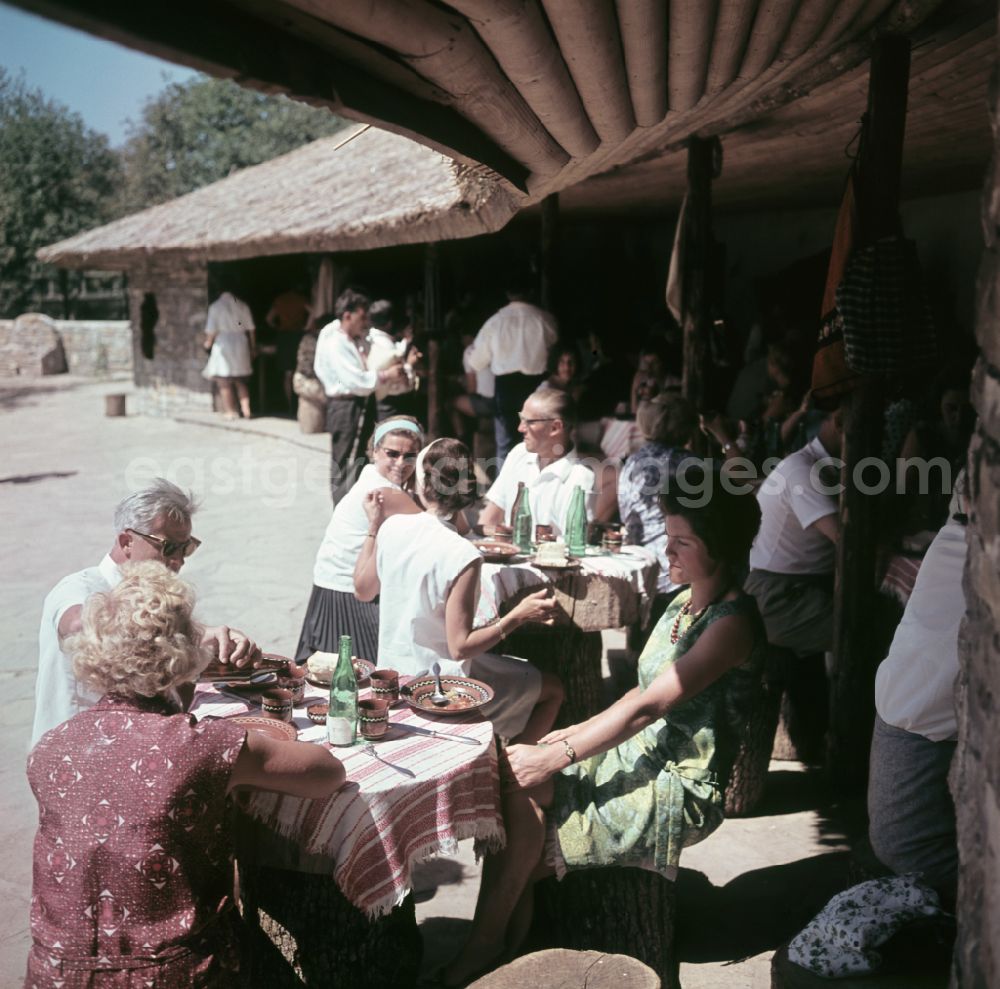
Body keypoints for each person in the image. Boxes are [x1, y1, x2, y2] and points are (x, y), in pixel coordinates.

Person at [441, 464, 764, 984]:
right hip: (642, 748)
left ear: (719, 547)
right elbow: (640, 691)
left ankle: (488, 948)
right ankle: (500, 948)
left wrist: (557, 753)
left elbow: (649, 708)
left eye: (682, 542)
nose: (669, 552)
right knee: (519, 793)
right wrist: (570, 735)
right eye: (670, 538)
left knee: (532, 813)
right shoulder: (684, 601)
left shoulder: (732, 625)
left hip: (681, 783)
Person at [26, 561, 346, 988]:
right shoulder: (201, 745)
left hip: (57, 973)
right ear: (183, 658)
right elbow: (327, 774)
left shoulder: (49, 749)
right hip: (173, 973)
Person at [355, 438, 564, 742]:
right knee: (554, 689)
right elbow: (460, 647)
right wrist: (518, 616)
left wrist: (373, 526)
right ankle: (513, 771)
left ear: (422, 483)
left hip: (394, 669)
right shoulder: (462, 554)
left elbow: (363, 590)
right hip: (442, 681)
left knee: (507, 670)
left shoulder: (393, 527)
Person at [31, 478, 261, 749]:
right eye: (169, 547)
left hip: (136, 746)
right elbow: (76, 626)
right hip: (79, 751)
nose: (179, 560)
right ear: (127, 541)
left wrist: (206, 647)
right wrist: (189, 635)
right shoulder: (79, 588)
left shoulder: (158, 593)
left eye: (186, 548)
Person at [868, 477, 968, 905]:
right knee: (904, 846)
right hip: (915, 708)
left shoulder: (959, 534)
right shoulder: (961, 539)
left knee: (904, 846)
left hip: (915, 704)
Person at [295, 416, 424, 664]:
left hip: (335, 585)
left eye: (410, 456)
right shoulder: (383, 492)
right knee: (376, 672)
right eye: (392, 453)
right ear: (374, 451)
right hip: (346, 593)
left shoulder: (372, 476)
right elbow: (440, 524)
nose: (401, 462)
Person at [313, 289, 408, 502]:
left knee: (359, 459)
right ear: (348, 316)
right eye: (362, 317)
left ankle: (357, 505)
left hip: (357, 402)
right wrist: (386, 375)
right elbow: (356, 381)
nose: (365, 322)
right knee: (345, 462)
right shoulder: (336, 342)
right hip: (346, 405)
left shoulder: (353, 338)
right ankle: (342, 510)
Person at [618, 395, 699, 615]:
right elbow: (736, 479)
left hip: (639, 563)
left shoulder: (632, 460)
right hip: (672, 571)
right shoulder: (685, 462)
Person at [478, 389, 596, 539]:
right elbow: (490, 516)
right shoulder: (519, 453)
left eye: (529, 422)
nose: (520, 428)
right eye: (521, 419)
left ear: (555, 427)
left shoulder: (581, 478)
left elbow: (575, 546)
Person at [464, 281, 558, 462]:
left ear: (508, 294)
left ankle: (507, 489)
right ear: (530, 292)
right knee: (540, 441)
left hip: (508, 388)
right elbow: (556, 350)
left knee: (506, 444)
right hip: (537, 386)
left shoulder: (495, 322)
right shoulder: (545, 319)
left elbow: (476, 362)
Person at [201, 287, 256, 420]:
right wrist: (252, 347)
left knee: (224, 380)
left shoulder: (216, 307)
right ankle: (246, 410)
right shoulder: (242, 305)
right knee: (240, 379)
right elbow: (251, 329)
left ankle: (230, 411)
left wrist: (208, 342)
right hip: (241, 342)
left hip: (224, 343)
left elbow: (211, 329)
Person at [367, 299, 420, 420]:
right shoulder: (383, 345)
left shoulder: (376, 339)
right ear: (390, 323)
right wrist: (410, 365)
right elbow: (399, 372)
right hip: (392, 405)